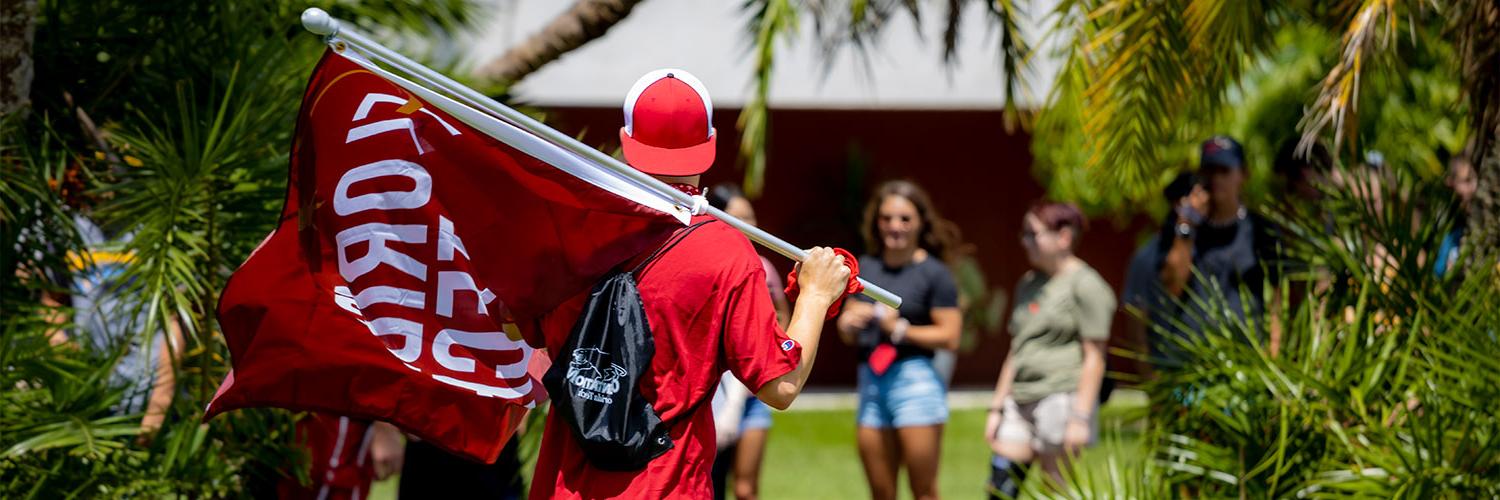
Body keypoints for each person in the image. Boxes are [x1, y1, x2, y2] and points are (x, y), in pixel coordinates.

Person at [522, 68, 854, 499]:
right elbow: (780, 385)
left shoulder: (575, 230)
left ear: (627, 140)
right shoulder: (727, 251)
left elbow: (517, 326)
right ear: (710, 145)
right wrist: (815, 294)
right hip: (669, 486)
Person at [836, 180, 962, 500]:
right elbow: (846, 330)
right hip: (871, 380)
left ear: (921, 222)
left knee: (923, 491)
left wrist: (901, 330)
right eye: (887, 218)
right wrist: (848, 323)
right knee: (881, 491)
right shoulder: (865, 268)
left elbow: (950, 335)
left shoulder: (935, 273)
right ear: (876, 222)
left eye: (904, 218)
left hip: (915, 380)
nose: (895, 226)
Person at [984, 201, 1115, 492]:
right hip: (1020, 397)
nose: (1025, 241)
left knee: (1056, 491)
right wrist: (997, 407)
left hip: (1060, 397)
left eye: (1033, 234)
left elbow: (1095, 357)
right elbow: (1017, 348)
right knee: (1000, 487)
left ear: (1064, 237)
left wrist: (1080, 418)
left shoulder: (1086, 285)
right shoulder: (1029, 283)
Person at [1155, 136, 1283, 363]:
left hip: (1246, 362)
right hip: (1191, 360)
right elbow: (1173, 285)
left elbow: (1277, 300)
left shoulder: (1261, 230)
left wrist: (1274, 357)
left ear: (1243, 174)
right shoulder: (1181, 225)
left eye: (1224, 171)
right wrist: (1187, 226)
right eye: (1209, 171)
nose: (1216, 179)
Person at [704, 183, 789, 500]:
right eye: (737, 218)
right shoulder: (712, 265)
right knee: (708, 483)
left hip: (752, 392)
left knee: (745, 487)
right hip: (715, 391)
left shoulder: (763, 268)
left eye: (750, 217)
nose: (748, 226)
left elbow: (782, 314)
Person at [1436, 146, 1477, 277]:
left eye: (1471, 179)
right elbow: (1438, 270)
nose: (1471, 188)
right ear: (1450, 183)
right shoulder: (1449, 229)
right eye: (1465, 181)